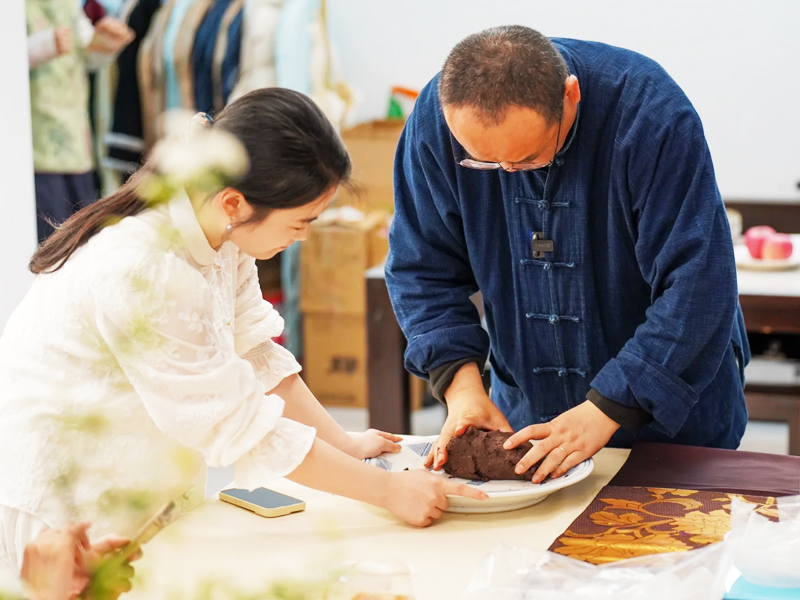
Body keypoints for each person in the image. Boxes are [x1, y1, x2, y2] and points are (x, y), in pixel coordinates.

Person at [0, 88, 485, 574]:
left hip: (142, 487)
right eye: (302, 221)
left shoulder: (221, 236)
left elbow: (256, 354)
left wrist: (343, 443)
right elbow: (243, 424)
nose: (306, 236)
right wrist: (388, 491)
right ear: (234, 202)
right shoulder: (148, 268)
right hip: (65, 505)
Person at [386, 26, 749, 482]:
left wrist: (608, 407)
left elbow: (699, 281)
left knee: (671, 548)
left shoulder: (650, 115)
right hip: (531, 416)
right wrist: (462, 390)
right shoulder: (434, 123)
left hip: (670, 421)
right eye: (485, 163)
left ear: (570, 96)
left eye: (528, 157)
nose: (508, 173)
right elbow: (420, 269)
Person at [27, 0, 134, 242]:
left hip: (76, 141)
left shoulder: (68, 6)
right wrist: (42, 46)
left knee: (81, 238)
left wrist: (106, 43)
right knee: (47, 239)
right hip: (37, 147)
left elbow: (87, 58)